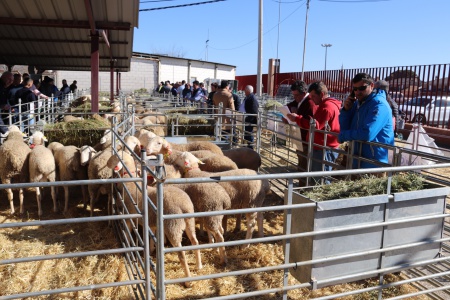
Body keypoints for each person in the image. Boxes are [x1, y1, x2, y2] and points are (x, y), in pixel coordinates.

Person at [287, 81, 341, 184]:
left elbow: (315, 125)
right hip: (321, 146)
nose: (311, 99)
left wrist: (297, 118)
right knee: (317, 177)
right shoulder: (325, 105)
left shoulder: (327, 107)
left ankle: (321, 198)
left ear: (321, 94)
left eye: (313, 96)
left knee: (320, 178)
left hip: (324, 148)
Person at [339, 73, 394, 168]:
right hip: (356, 159)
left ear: (372, 86)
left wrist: (343, 136)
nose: (357, 92)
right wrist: (346, 111)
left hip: (373, 163)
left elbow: (367, 134)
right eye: (355, 89)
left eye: (362, 88)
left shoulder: (379, 105)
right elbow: (345, 128)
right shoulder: (357, 104)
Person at [283, 80, 317, 177]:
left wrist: (297, 116)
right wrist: (286, 115)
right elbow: (289, 105)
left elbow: (311, 122)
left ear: (304, 93)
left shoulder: (310, 103)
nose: (295, 97)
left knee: (304, 166)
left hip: (306, 140)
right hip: (299, 137)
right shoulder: (299, 101)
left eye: (297, 95)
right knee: (301, 163)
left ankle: (303, 188)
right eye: (293, 95)